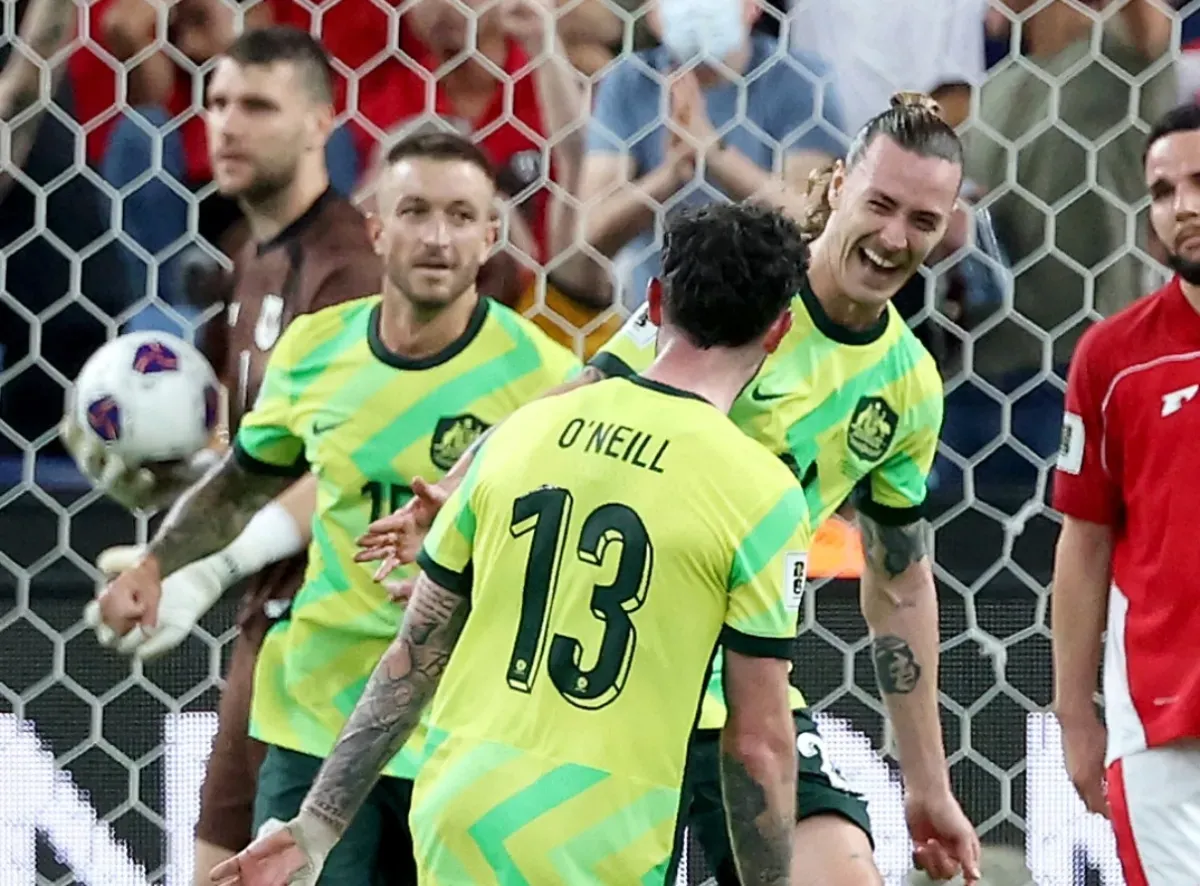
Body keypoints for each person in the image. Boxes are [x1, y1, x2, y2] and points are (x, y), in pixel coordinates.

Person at [363, 92, 983, 886]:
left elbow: (898, 584)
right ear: (836, 187)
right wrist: (460, 487)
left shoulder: (909, 386)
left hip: (745, 692)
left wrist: (929, 788)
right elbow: (576, 397)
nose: (896, 239)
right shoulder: (747, 290)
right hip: (620, 691)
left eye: (924, 223)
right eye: (881, 205)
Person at [209, 200, 811, 886]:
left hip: (458, 812)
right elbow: (758, 743)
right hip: (598, 838)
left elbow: (413, 654)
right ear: (779, 331)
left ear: (654, 300)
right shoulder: (762, 494)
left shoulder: (521, 434)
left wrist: (316, 825)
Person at [90, 131, 580, 885]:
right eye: (414, 211)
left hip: (461, 726)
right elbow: (242, 483)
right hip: (317, 721)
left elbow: (569, 544)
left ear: (491, 237)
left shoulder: (544, 377)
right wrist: (160, 565)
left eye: (460, 216)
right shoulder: (316, 349)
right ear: (376, 227)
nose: (437, 237)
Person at [64, 27, 383, 886]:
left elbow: (350, 471)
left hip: (341, 646)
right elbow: (265, 454)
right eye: (216, 103)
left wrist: (198, 573)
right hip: (268, 632)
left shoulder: (349, 273)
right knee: (214, 869)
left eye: (257, 105)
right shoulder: (252, 257)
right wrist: (179, 485)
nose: (227, 125)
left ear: (320, 122)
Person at [1052, 102, 1200, 886]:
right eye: (1165, 190)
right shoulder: (1111, 359)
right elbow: (1083, 542)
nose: (1187, 207)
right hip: (1160, 733)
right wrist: (1075, 716)